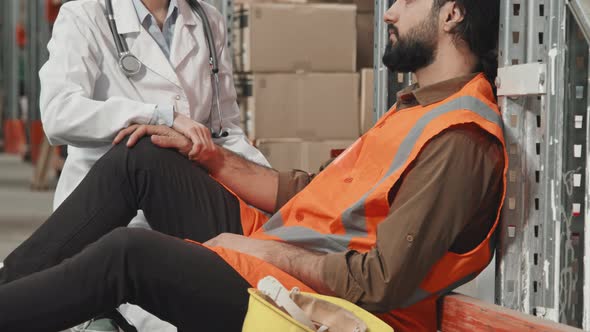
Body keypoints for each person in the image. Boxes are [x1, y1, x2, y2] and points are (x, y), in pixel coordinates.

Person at [0, 0, 505, 331]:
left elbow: (376, 284)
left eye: (407, 0)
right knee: (144, 156)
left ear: (452, 14)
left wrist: (261, 250)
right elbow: (321, 193)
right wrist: (213, 158)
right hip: (293, 243)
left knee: (128, 255)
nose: (390, 12)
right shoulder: (419, 106)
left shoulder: (456, 139)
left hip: (317, 301)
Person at [37, 0, 267, 330]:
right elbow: (60, 114)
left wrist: (274, 194)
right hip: (106, 204)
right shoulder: (85, 13)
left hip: (179, 201)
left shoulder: (206, 19)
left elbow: (225, 129)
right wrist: (158, 116)